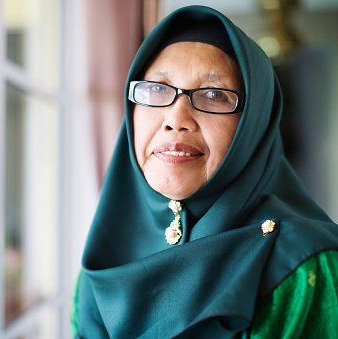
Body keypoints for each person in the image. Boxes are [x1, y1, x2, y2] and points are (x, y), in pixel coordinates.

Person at [72, 5, 338, 338]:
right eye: (156, 89)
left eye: (214, 94)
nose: (176, 119)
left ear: (251, 124)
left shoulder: (305, 266)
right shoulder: (103, 261)